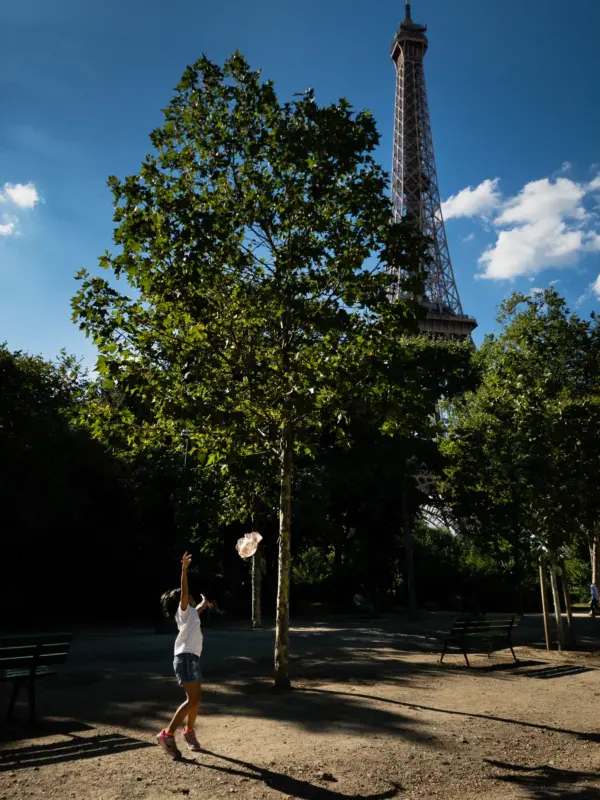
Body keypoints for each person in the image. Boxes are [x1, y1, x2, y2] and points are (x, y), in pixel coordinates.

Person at [157, 552, 213, 758]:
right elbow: (186, 593)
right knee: (192, 699)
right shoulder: (182, 611)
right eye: (184, 594)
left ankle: (188, 732)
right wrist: (184, 570)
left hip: (192, 658)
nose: (188, 595)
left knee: (196, 699)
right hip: (185, 657)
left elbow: (198, 607)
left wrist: (205, 602)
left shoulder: (190, 613)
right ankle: (167, 734)